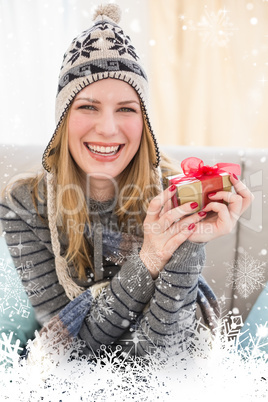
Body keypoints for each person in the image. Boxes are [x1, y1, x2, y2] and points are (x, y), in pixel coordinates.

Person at [0, 4, 253, 360]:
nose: (107, 128)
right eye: (87, 106)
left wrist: (190, 243)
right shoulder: (22, 205)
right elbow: (68, 355)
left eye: (126, 108)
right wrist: (149, 260)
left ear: (144, 121)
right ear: (62, 119)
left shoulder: (176, 191)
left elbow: (164, 359)